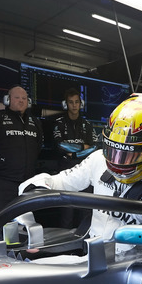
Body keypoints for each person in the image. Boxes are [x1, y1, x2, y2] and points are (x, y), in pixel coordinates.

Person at [19, 93, 142, 246]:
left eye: (130, 154)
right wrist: (36, 187)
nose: (118, 161)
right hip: (90, 256)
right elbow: (61, 181)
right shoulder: (99, 160)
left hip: (132, 269)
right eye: (114, 150)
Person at [0, 86, 43, 223]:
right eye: (17, 97)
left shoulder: (35, 122)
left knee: (23, 224)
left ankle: (18, 245)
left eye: (24, 98)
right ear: (7, 100)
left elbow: (38, 146)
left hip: (26, 184)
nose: (21, 101)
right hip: (0, 183)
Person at [52, 87, 97, 227]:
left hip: (84, 173)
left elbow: (94, 148)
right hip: (67, 173)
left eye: (77, 102)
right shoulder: (58, 123)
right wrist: (83, 147)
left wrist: (74, 153)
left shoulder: (87, 124)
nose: (74, 105)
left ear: (80, 104)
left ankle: (85, 245)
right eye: (71, 102)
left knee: (85, 212)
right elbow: (60, 146)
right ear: (66, 104)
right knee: (67, 214)